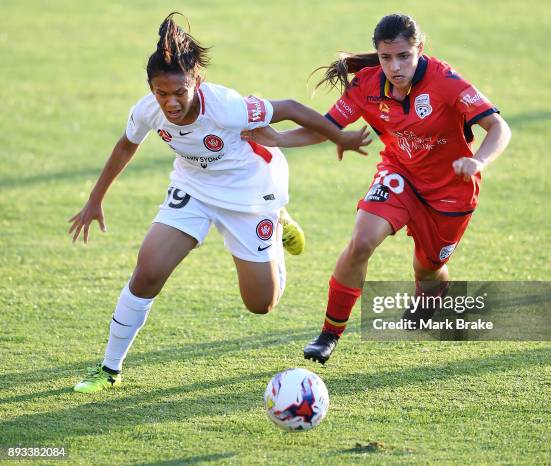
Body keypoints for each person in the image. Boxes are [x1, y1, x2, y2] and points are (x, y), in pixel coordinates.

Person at [69, 12, 370, 392]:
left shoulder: (227, 106)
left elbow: (292, 106)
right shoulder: (147, 109)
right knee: (147, 272)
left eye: (179, 92)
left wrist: (339, 138)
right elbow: (126, 145)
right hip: (194, 190)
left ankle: (276, 221)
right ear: (151, 88)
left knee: (261, 304)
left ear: (198, 81)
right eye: (162, 93)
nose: (171, 102)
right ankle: (109, 368)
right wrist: (95, 199)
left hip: (250, 192)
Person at [243, 13, 511, 363]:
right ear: (378, 55)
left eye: (403, 56)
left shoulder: (446, 81)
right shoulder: (367, 84)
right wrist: (278, 138)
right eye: (386, 57)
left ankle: (432, 294)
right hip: (399, 175)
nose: (395, 67)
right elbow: (326, 127)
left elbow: (499, 128)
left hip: (451, 190)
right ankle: (329, 333)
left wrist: (478, 161)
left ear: (420, 49)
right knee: (361, 242)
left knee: (428, 268)